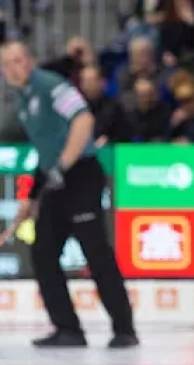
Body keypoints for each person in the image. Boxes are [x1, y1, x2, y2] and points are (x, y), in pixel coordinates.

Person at [0, 42, 138, 349]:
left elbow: (83, 120)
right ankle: (68, 328)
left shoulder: (51, 86)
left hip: (81, 176)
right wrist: (32, 194)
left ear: (31, 61)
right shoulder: (23, 100)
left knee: (96, 254)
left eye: (18, 60)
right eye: (7, 63)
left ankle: (124, 329)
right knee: (43, 252)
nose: (13, 68)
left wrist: (64, 164)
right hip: (56, 180)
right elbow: (45, 150)